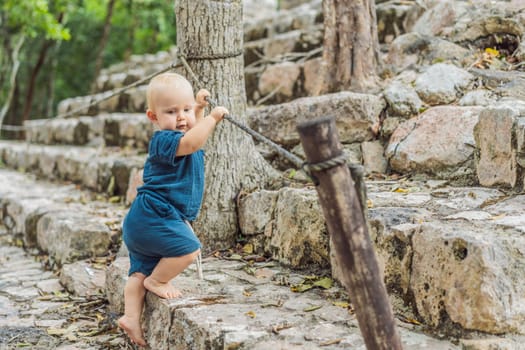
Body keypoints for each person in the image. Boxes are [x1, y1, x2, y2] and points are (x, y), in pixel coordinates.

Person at [117, 72, 228, 346]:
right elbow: (192, 142)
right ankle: (157, 282)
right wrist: (212, 118)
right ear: (153, 117)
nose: (181, 117)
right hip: (155, 215)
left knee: (138, 272)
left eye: (185, 110)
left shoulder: (181, 133)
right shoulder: (163, 140)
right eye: (171, 111)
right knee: (188, 250)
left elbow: (192, 134)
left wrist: (199, 110)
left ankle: (130, 318)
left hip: (144, 220)